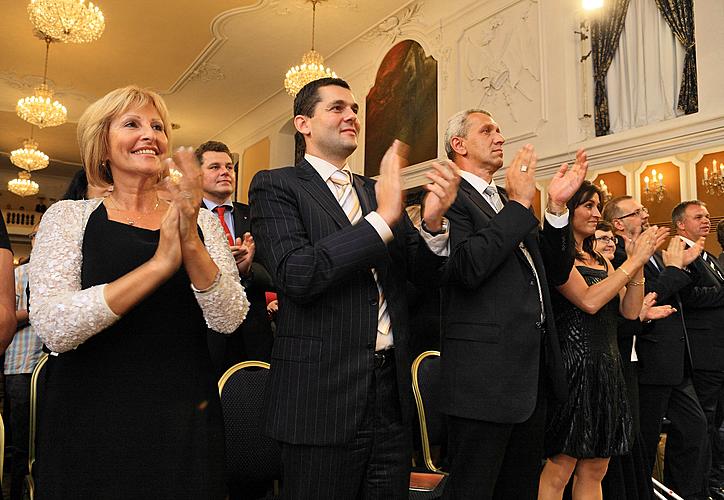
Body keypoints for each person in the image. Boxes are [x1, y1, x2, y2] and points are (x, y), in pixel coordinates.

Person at [28, 85, 248, 498]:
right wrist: (159, 265)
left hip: (184, 411)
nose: (150, 134)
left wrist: (191, 242)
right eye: (132, 124)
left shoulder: (201, 219)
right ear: (103, 146)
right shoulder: (69, 217)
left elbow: (228, 317)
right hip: (92, 413)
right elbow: (55, 327)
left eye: (158, 126)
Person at [249, 77, 460, 499]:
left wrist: (433, 222)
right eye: (337, 108)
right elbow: (298, 275)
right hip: (320, 396)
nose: (351, 116)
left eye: (355, 109)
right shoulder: (276, 186)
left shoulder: (372, 189)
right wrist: (381, 219)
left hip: (389, 393)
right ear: (303, 123)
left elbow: (424, 276)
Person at [439, 108, 587, 499]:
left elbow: (554, 271)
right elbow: (468, 267)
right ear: (459, 145)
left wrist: (555, 209)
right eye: (487, 130)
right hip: (482, 381)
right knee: (474, 490)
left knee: (519, 489)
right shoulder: (450, 198)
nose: (500, 137)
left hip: (527, 376)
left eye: (500, 129)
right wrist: (520, 206)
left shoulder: (506, 199)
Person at [539, 182, 668, 500]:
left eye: (599, 206)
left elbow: (630, 309)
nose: (597, 213)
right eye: (588, 206)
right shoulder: (558, 257)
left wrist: (637, 263)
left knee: (596, 468)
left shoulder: (601, 259)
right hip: (574, 365)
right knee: (561, 468)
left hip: (608, 366)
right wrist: (631, 263)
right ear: (569, 210)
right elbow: (590, 301)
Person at [602, 196, 709, 499]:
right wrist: (673, 270)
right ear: (619, 223)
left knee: (695, 430)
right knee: (644, 444)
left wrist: (683, 264)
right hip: (646, 360)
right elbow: (642, 301)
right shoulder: (618, 253)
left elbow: (685, 289)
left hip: (673, 360)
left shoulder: (652, 254)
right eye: (637, 212)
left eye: (644, 210)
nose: (646, 215)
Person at [196, 140, 275, 374]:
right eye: (214, 167)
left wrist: (247, 271)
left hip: (253, 333)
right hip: (205, 332)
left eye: (229, 167)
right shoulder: (186, 217)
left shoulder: (256, 215)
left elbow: (273, 270)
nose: (225, 172)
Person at [674, 200, 724, 499]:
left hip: (718, 352)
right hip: (702, 353)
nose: (706, 220)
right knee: (700, 428)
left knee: (716, 427)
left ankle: (713, 483)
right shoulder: (679, 253)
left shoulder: (710, 257)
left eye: (707, 216)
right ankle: (696, 488)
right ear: (681, 224)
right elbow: (688, 297)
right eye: (698, 217)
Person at [4, 224, 44, 500]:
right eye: (39, 234)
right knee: (20, 438)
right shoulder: (17, 275)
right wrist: (36, 312)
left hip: (54, 365)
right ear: (32, 241)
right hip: (20, 364)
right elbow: (6, 319)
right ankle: (16, 491)